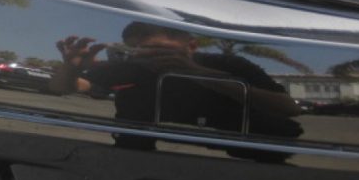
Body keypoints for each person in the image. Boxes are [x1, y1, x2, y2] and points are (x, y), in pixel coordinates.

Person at [50, 23, 302, 152]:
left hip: (243, 162)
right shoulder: (132, 67)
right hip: (138, 164)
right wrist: (71, 66)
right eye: (139, 51)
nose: (149, 58)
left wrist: (199, 74)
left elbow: (288, 108)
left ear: (191, 47)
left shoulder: (227, 64)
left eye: (159, 51)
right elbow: (65, 88)